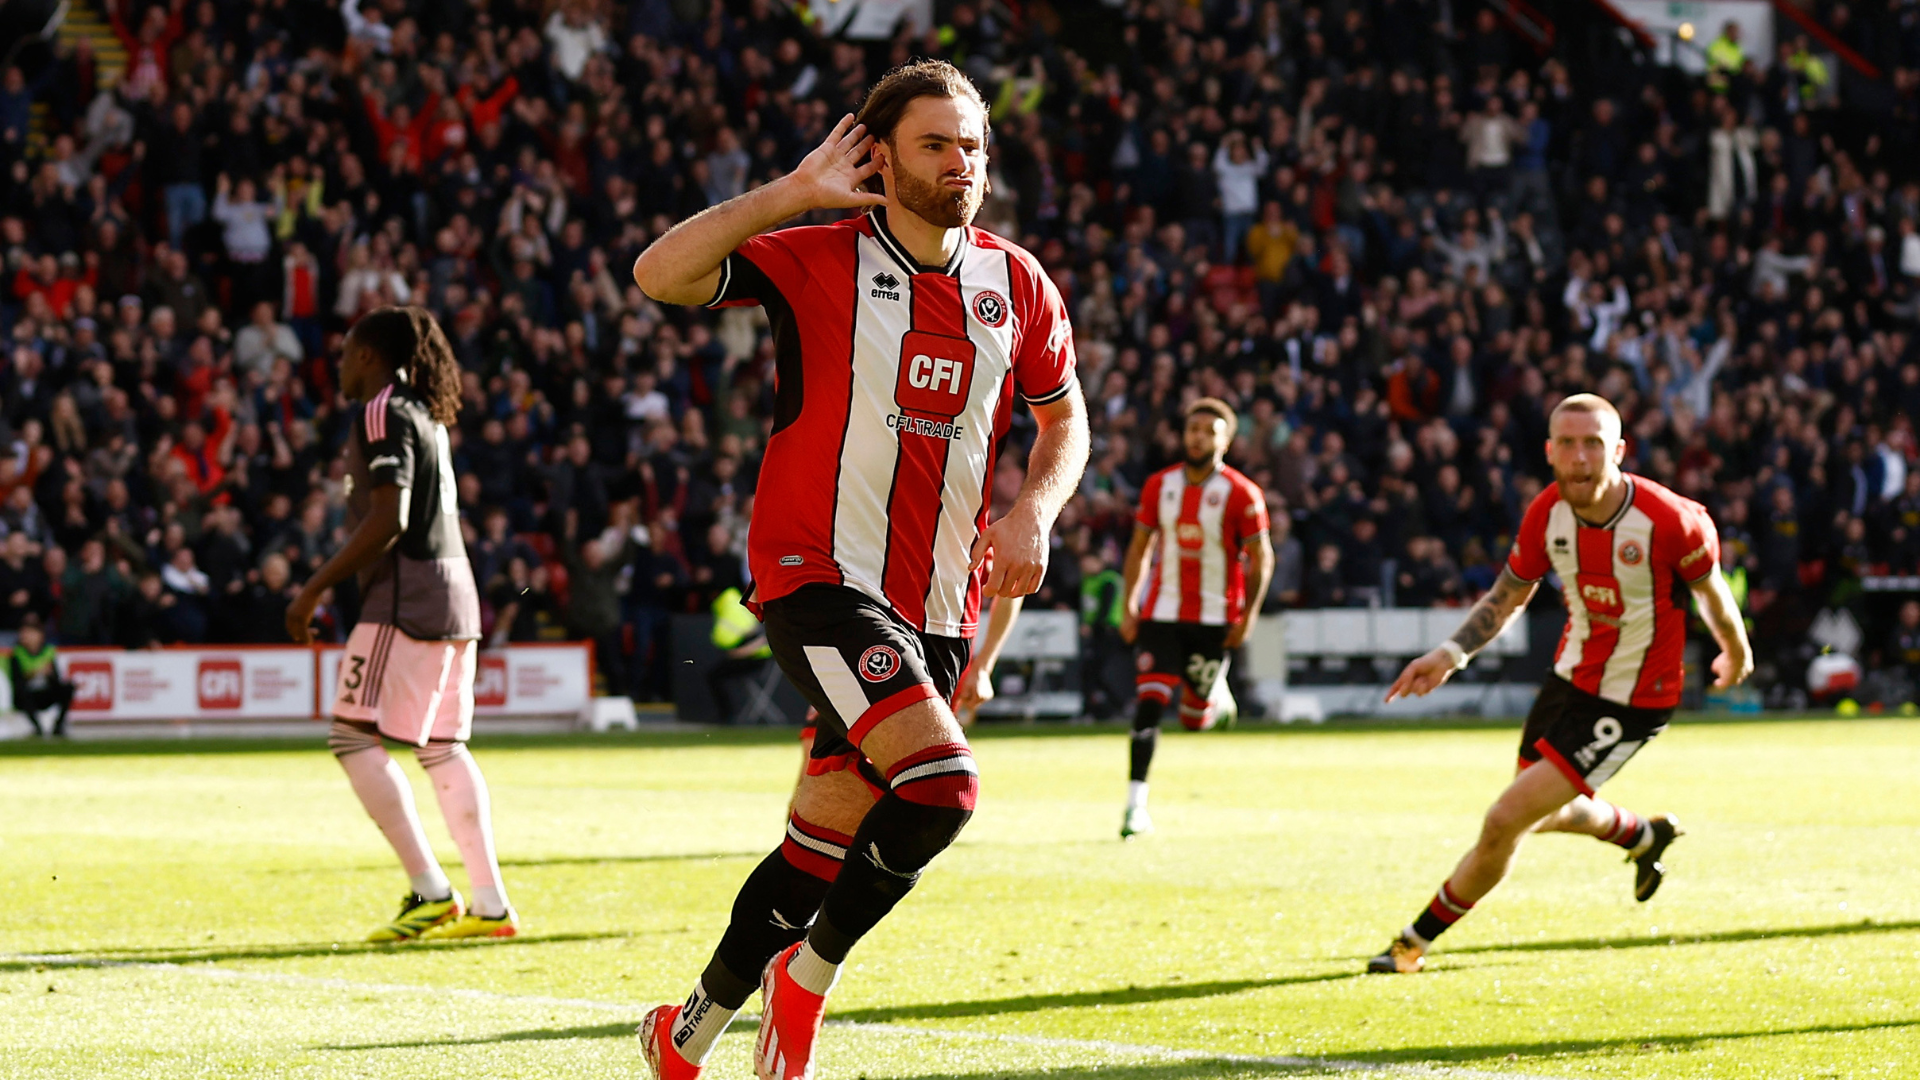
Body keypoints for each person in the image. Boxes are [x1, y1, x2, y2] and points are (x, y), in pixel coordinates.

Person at [629, 60, 1088, 1080]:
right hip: (818, 576)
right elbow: (659, 275)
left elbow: (1066, 418)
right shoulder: (817, 254)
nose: (961, 161)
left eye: (972, 144)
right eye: (937, 143)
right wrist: (790, 192)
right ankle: (807, 979)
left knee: (816, 849)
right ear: (881, 155)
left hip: (941, 605)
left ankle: (686, 1034)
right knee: (945, 787)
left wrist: (1033, 512)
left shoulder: (1015, 282)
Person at [1367, 394, 1753, 974]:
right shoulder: (1547, 512)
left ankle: (1410, 945)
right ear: (1549, 451)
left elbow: (1712, 592)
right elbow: (1509, 594)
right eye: (1567, 444)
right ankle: (1642, 836)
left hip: (1633, 699)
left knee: (1504, 820)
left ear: (1618, 450)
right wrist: (1449, 654)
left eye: (1593, 443)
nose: (1579, 457)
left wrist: (1736, 650)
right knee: (1543, 813)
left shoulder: (1670, 520)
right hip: (1570, 679)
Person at [285, 306, 517, 943]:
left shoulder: (381, 409)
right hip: (455, 592)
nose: (337, 364)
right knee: (442, 747)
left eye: (344, 351)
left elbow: (389, 516)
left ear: (366, 355)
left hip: (406, 595)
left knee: (352, 737)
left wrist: (313, 588)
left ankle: (431, 891)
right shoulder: (424, 413)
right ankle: (491, 905)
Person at [1115, 398, 1274, 839]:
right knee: (1148, 704)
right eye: (1192, 428)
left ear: (1226, 439)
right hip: (1161, 614)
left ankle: (1214, 701)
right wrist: (1130, 604)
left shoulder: (1242, 493)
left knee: (1192, 719)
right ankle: (1135, 807)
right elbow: (1139, 548)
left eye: (1209, 430)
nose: (1198, 436)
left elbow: (1262, 558)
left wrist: (1250, 614)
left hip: (1214, 617)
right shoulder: (1158, 486)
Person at [706, 584, 772, 720]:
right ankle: (726, 714)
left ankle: (726, 715)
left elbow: (758, 642)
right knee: (716, 675)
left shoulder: (728, 609)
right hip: (761, 657)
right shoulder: (741, 605)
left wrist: (736, 653)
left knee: (714, 676)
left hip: (755, 658)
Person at [7, 615, 72, 737]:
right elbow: (17, 682)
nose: (25, 637)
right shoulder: (17, 653)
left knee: (68, 687)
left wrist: (50, 675)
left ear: (39, 635)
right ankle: (37, 728)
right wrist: (35, 673)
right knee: (23, 693)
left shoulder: (48, 651)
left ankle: (59, 726)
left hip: (44, 693)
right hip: (27, 696)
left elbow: (56, 681)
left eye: (29, 633)